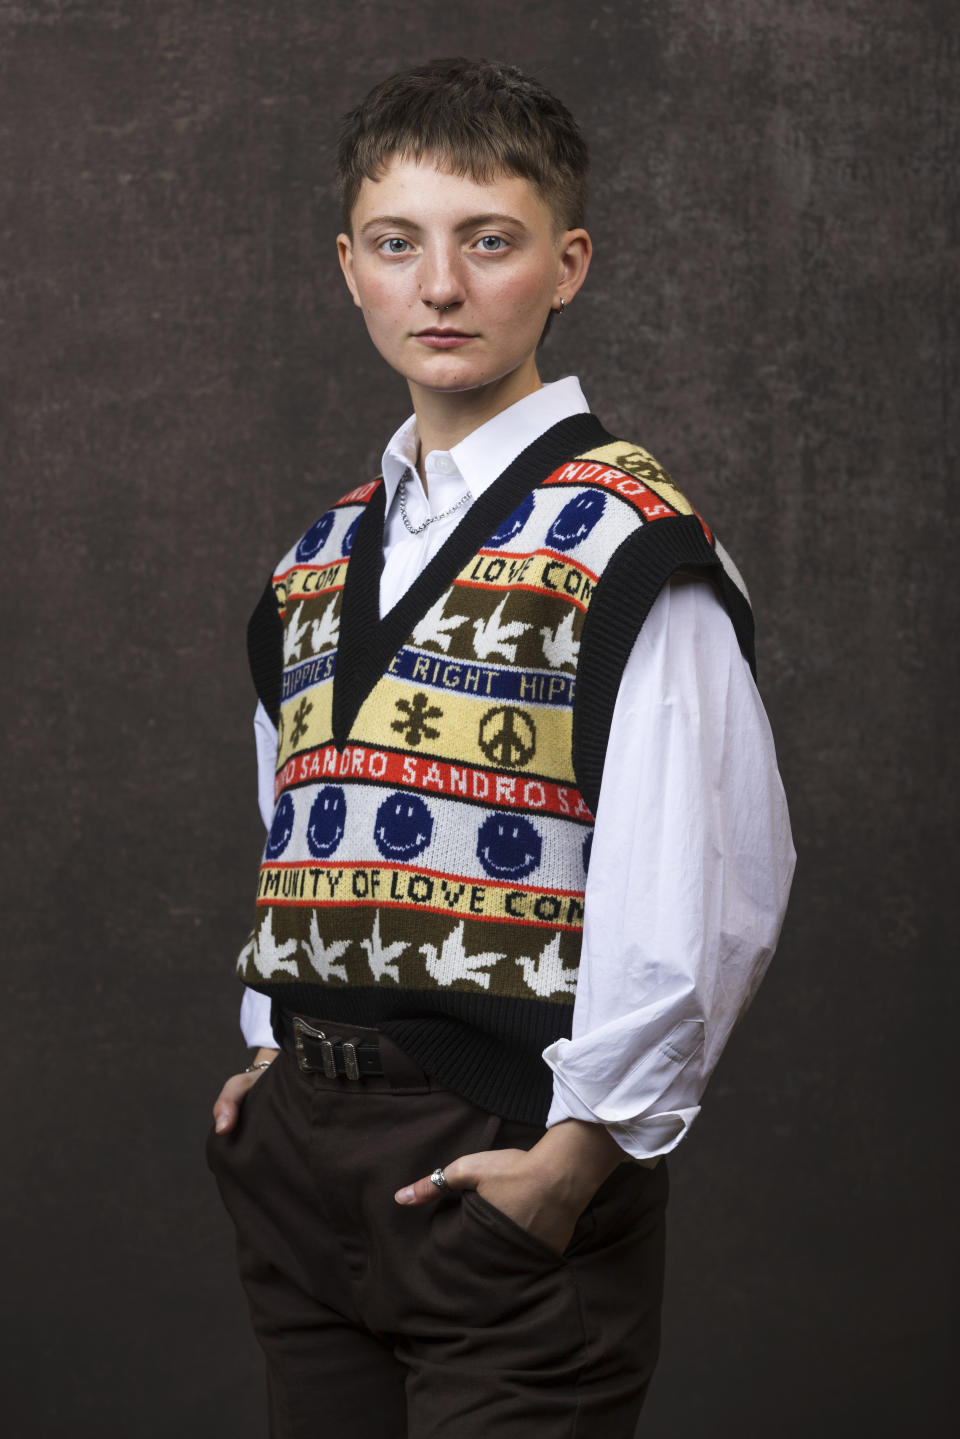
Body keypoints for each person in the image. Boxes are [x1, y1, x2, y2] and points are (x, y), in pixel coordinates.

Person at [207, 56, 795, 1439]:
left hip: (503, 1148)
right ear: (349, 268)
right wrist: (268, 1051)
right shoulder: (316, 561)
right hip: (304, 1163)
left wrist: (577, 1158)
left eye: (490, 241)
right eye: (398, 245)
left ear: (566, 262)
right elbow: (303, 826)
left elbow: (712, 880)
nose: (443, 289)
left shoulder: (627, 543)